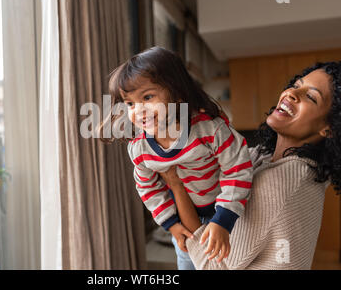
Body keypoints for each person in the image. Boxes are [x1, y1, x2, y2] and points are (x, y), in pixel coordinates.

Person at [159, 61, 341, 269]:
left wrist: (175, 184)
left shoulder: (279, 182)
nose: (292, 93)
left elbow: (213, 266)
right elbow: (224, 165)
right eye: (297, 84)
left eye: (310, 96)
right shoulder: (269, 158)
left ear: (329, 129)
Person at [101, 46, 253, 269]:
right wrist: (171, 224)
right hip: (184, 217)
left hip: (227, 210)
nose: (138, 110)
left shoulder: (210, 129)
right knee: (188, 263)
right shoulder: (139, 148)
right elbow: (148, 188)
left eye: (148, 97)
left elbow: (238, 168)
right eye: (130, 103)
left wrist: (224, 220)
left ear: (177, 92)